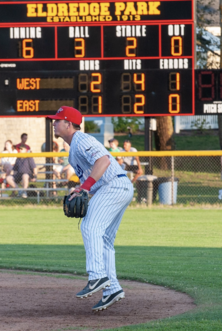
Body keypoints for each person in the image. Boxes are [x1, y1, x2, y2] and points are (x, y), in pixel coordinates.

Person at [48, 106, 133, 312]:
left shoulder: (81, 139)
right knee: (103, 240)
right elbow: (94, 176)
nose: (54, 123)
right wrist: (81, 188)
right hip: (118, 187)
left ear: (69, 124)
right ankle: (111, 288)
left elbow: (103, 160)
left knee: (89, 227)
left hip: (114, 186)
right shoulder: (73, 148)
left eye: (58, 120)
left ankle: (96, 275)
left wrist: (86, 187)